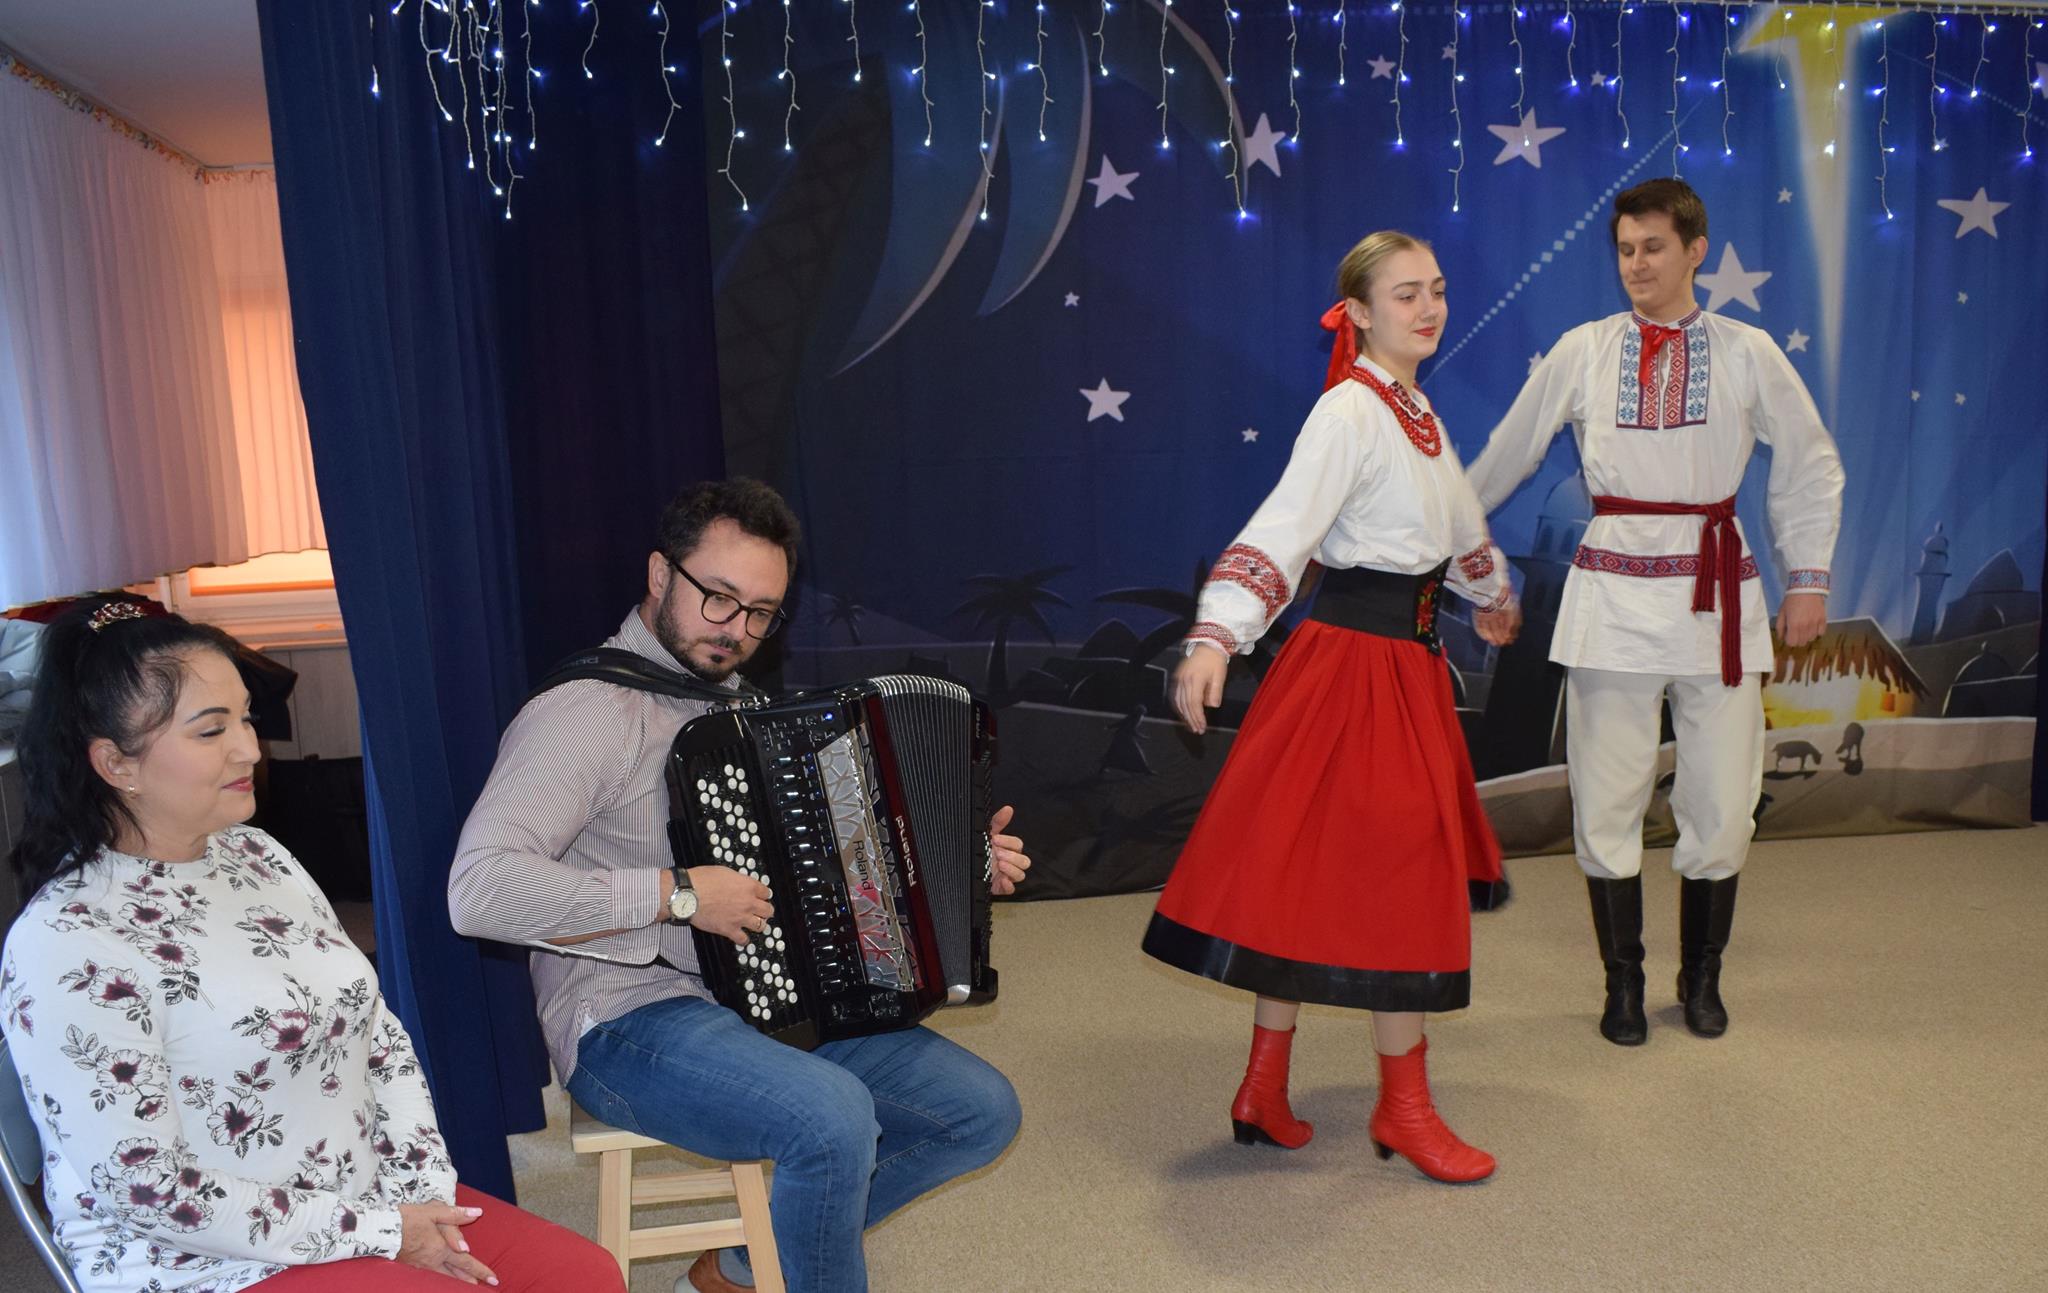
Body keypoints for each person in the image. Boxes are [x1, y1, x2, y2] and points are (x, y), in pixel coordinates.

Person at [448, 480, 1029, 1293]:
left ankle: (744, 1267)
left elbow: (823, 878)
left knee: (980, 1109)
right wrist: (678, 894)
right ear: (660, 574)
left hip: (763, 999)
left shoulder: (746, 713)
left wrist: (957, 867)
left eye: (760, 612)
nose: (737, 629)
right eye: (719, 598)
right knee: (832, 1120)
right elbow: (478, 889)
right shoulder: (586, 713)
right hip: (624, 1016)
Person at [0, 597, 625, 1293]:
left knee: (583, 1274)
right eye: (211, 730)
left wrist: (419, 1196)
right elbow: (149, 1189)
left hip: (361, 1206)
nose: (249, 748)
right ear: (116, 764)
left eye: (245, 718)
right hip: (201, 1263)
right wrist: (381, 1232)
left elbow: (376, 1033)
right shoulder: (67, 941)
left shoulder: (258, 856)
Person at [1140, 232, 1519, 1185]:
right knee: (1403, 881)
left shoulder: (1413, 409)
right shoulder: (1350, 410)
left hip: (1403, 669)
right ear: (1357, 311)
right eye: (1405, 294)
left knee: (1304, 874)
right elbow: (1287, 526)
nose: (1428, 308)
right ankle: (1404, 1107)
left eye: (1437, 290)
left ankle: (1262, 1088)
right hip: (1357, 672)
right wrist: (1217, 633)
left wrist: (1489, 592)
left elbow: (1454, 522)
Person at [1465, 178, 1844, 1045]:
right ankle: (1624, 982)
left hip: (1718, 601)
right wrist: (1456, 543)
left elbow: (1811, 460)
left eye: (1654, 248)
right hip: (1613, 600)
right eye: (1626, 249)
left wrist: (1809, 576)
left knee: (1723, 798)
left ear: (1695, 251)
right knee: (1607, 794)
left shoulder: (1746, 351)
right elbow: (1506, 453)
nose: (1636, 264)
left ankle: (1701, 977)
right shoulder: (1585, 349)